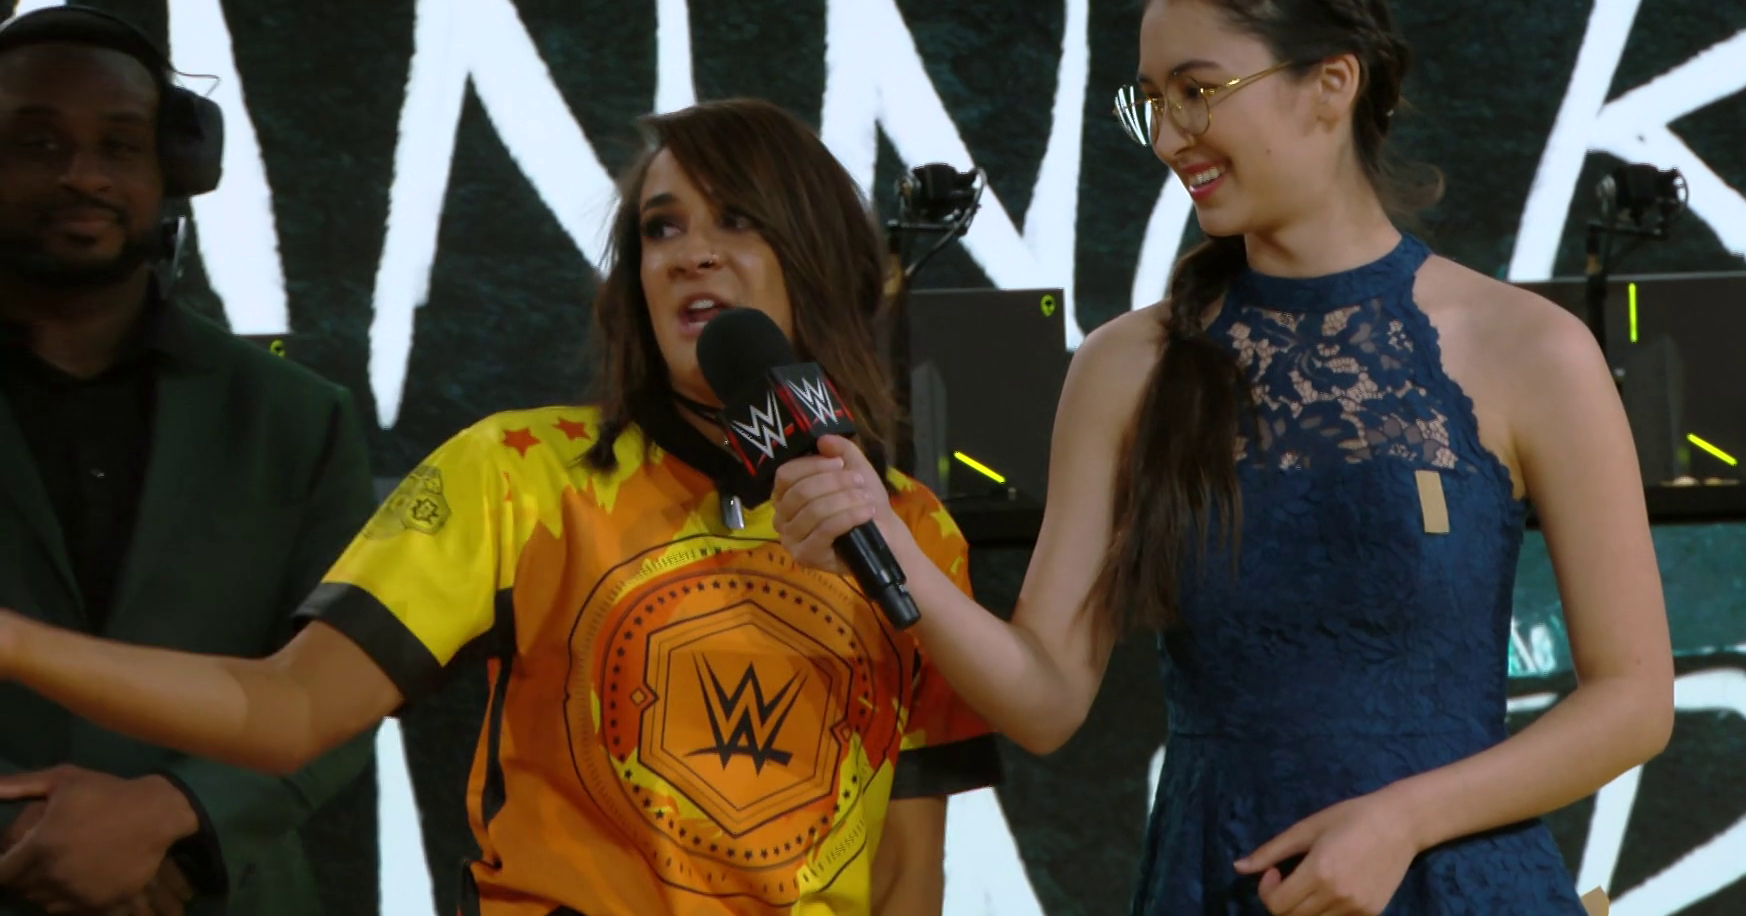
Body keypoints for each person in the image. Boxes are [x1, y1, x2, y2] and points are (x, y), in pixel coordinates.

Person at [771, 0, 1674, 915]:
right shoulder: (1127, 367)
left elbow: (1634, 701)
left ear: (1332, 84)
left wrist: (1401, 822)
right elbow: (1046, 698)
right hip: (1221, 885)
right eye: (1152, 102)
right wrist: (886, 543)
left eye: (1198, 93)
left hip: (1462, 887)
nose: (1168, 138)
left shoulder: (1532, 350)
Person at [0, 98, 1001, 915]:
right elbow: (288, 711)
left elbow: (906, 875)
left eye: (737, 219)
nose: (690, 253)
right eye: (661, 227)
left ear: (816, 252)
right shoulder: (520, 475)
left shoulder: (911, 529)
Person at [0, 5, 377, 916]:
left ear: (175, 165)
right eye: (40, 143)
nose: (84, 175)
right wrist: (26, 831)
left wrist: (180, 818)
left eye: (120, 145)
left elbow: (349, 684)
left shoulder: (298, 417)